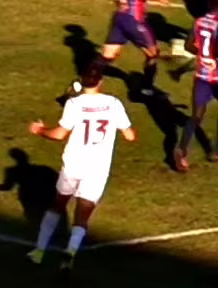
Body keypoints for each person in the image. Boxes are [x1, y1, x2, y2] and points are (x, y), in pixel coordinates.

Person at [26, 65, 136, 271]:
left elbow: (59, 134)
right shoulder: (114, 103)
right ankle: (70, 253)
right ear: (101, 81)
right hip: (98, 168)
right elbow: (130, 136)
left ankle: (39, 251)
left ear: (82, 81)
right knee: (83, 214)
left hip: (74, 163)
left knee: (58, 204)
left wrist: (40, 130)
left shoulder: (74, 104)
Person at [174, 0, 218, 171]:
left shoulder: (198, 22)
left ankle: (181, 150)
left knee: (197, 115)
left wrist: (204, 55)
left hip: (202, 75)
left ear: (209, 3)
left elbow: (188, 46)